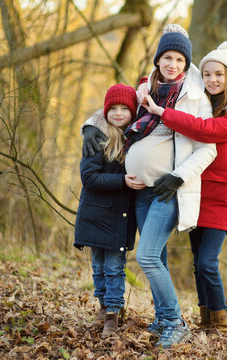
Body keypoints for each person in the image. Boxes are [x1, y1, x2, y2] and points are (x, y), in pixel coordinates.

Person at [82, 25, 216, 348]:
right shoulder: (148, 90)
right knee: (160, 256)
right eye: (167, 57)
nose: (172, 64)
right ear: (158, 60)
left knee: (147, 256)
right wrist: (90, 125)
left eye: (179, 60)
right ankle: (161, 318)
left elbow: (208, 148)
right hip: (140, 191)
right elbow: (115, 111)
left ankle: (174, 320)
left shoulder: (195, 97)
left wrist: (178, 176)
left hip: (168, 190)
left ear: (186, 64)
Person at [141, 41, 227, 332]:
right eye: (208, 74)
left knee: (209, 262)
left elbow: (205, 130)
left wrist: (163, 112)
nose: (212, 80)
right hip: (195, 189)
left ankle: (220, 321)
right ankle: (206, 320)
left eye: (219, 75)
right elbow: (163, 79)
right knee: (198, 262)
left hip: (222, 193)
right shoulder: (204, 101)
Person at [74, 84, 145, 337]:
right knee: (98, 266)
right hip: (95, 215)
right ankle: (103, 307)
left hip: (120, 217)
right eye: (112, 108)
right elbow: (89, 178)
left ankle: (113, 315)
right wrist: (122, 181)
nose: (117, 113)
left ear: (132, 112)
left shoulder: (137, 138)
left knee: (115, 267)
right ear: (105, 112)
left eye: (123, 108)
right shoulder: (97, 138)